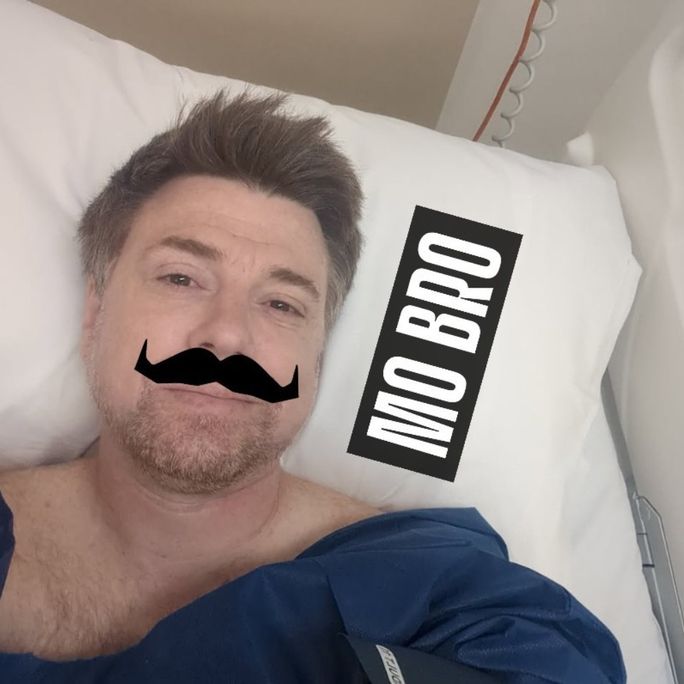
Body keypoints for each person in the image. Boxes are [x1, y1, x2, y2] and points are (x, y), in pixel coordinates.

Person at [0, 88, 626, 683]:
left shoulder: (444, 594)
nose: (228, 335)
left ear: (317, 360)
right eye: (181, 278)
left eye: (281, 304)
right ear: (95, 312)